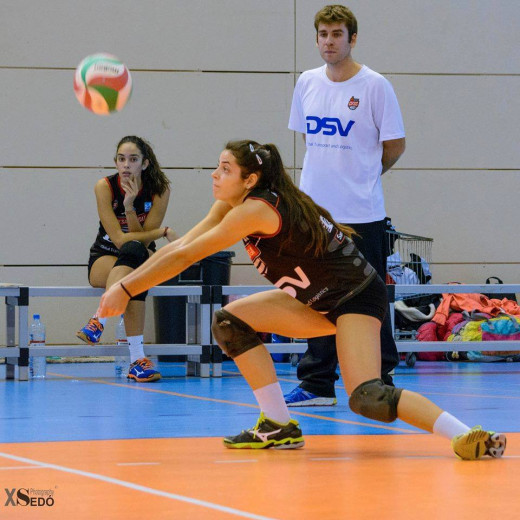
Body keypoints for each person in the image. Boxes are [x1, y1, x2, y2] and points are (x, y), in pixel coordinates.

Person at [96, 140, 506, 460]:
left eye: (225, 169)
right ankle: (278, 424)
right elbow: (182, 244)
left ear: (251, 179)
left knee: (367, 396)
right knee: (229, 322)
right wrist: (128, 282)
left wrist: (126, 288)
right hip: (317, 300)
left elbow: (188, 256)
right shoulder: (232, 204)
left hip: (357, 299)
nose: (214, 175)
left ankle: (468, 435)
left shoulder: (254, 210)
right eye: (217, 167)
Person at [285, 4, 405, 406]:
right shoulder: (306, 82)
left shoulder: (375, 86)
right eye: (323, 34)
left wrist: (365, 175)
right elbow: (309, 141)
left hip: (362, 216)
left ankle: (378, 378)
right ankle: (317, 383)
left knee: (368, 298)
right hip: (315, 216)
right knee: (316, 299)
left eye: (337, 34)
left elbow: (394, 146)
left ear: (352, 39)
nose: (329, 41)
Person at [76, 135, 177, 382]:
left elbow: (140, 239)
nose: (126, 165)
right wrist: (164, 232)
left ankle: (98, 320)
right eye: (121, 159)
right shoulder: (104, 187)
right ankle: (137, 359)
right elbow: (120, 241)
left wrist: (130, 206)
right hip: (105, 257)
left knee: (137, 260)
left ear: (144, 164)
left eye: (133, 159)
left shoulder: (159, 190)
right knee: (136, 268)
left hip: (138, 255)